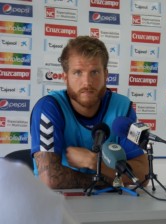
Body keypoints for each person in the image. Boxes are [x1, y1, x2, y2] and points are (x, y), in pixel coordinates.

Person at [30, 36, 149, 189]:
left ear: (106, 75)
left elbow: (143, 175)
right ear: (65, 77)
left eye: (94, 72)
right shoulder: (49, 108)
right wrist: (113, 180)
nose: (87, 82)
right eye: (78, 73)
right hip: (58, 204)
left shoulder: (122, 108)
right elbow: (50, 179)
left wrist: (93, 162)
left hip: (109, 205)